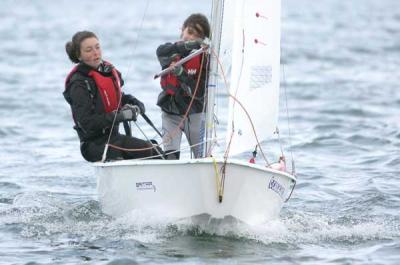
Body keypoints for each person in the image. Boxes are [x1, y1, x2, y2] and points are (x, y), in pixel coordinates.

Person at [64, 31, 160, 162]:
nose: (96, 53)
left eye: (97, 47)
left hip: (114, 138)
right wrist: (119, 116)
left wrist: (135, 103)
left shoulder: (107, 72)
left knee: (155, 150)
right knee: (146, 150)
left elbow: (117, 97)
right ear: (79, 56)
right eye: (88, 50)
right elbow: (86, 122)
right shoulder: (78, 83)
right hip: (93, 146)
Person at [156, 13, 210, 159]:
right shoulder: (170, 51)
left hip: (195, 114)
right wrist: (189, 45)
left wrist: (181, 73)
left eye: (197, 36)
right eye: (190, 32)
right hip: (171, 114)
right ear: (183, 29)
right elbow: (160, 52)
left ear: (203, 39)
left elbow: (198, 93)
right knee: (171, 158)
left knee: (202, 158)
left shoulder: (204, 59)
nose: (191, 37)